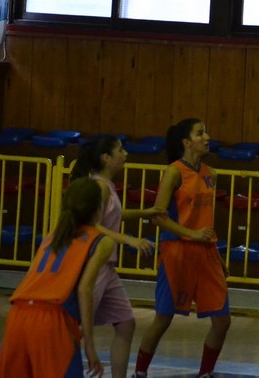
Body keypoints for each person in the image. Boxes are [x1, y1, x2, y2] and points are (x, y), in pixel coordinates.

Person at [133, 119, 231, 378]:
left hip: (206, 252)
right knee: (163, 318)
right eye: (200, 133)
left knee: (222, 320)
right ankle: (139, 372)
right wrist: (192, 234)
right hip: (177, 250)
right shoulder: (174, 172)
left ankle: (205, 373)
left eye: (206, 132)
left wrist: (216, 254)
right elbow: (158, 216)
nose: (207, 137)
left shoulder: (211, 173)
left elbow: (205, 220)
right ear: (186, 142)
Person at [0, 177, 115, 378]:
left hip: (18, 314)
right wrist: (90, 344)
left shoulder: (52, 236)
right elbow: (84, 289)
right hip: (52, 318)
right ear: (98, 210)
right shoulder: (102, 241)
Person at [71, 135, 164, 378]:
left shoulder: (107, 185)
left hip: (107, 266)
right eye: (120, 150)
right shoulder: (99, 186)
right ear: (106, 158)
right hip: (94, 264)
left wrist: (145, 212)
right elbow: (93, 224)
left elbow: (114, 215)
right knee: (77, 328)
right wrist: (129, 240)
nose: (126, 154)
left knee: (125, 323)